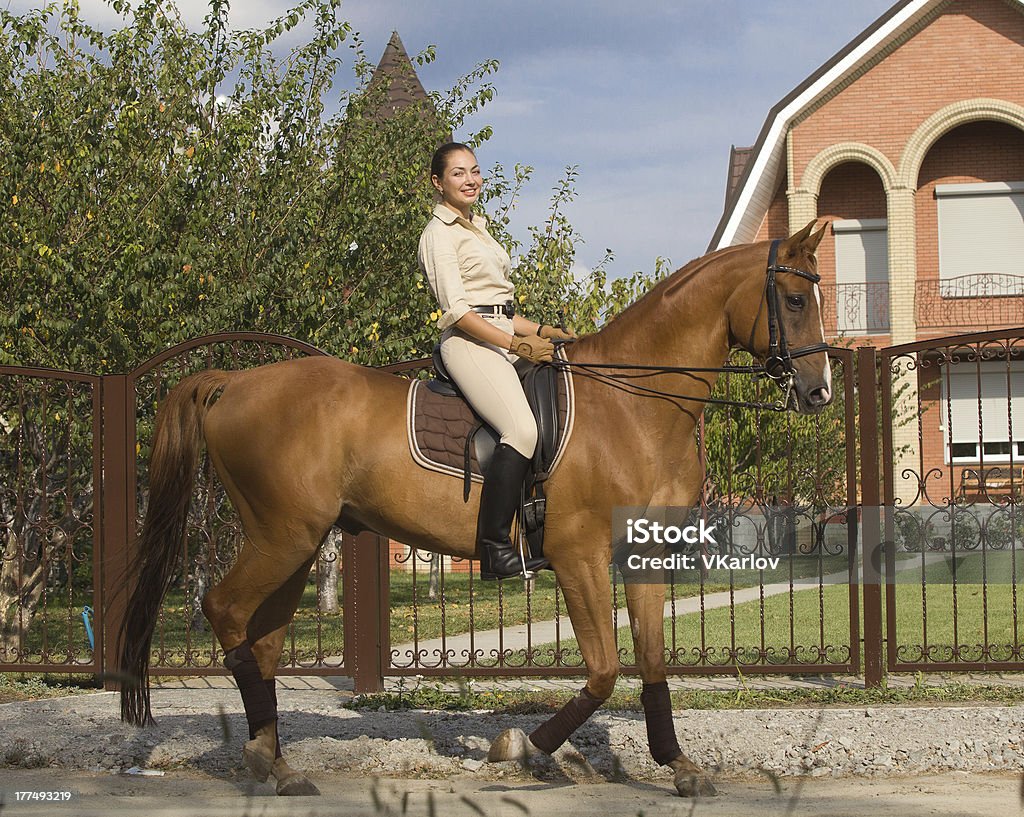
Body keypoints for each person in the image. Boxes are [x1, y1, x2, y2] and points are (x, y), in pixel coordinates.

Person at [418, 142, 574, 580]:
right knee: (521, 430)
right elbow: (461, 312)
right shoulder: (439, 234)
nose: (470, 180)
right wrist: (518, 345)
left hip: (500, 336)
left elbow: (500, 309)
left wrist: (542, 331)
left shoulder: (478, 228)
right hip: (467, 343)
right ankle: (494, 547)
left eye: (475, 170)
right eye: (458, 174)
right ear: (438, 183)